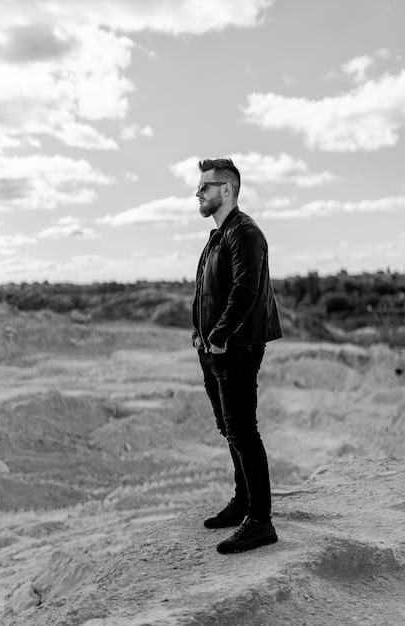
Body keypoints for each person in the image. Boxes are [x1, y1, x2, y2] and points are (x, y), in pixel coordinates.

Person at [192, 157, 282, 554]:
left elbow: (244, 292)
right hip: (216, 347)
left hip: (237, 347)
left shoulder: (244, 232)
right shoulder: (218, 235)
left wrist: (219, 336)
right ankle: (243, 502)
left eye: (205, 186)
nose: (199, 193)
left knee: (244, 430)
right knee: (230, 427)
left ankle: (261, 522)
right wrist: (201, 334)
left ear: (226, 190)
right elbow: (208, 291)